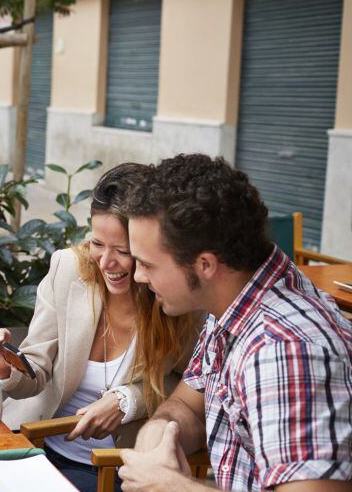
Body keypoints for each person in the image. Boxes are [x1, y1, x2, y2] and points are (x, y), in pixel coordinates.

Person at [118, 154, 351, 492]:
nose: (138, 276)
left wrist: (173, 486)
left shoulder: (284, 351)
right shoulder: (232, 301)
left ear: (205, 264)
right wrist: (161, 436)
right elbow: (186, 406)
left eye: (147, 264)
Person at [0, 164, 198, 492]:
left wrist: (128, 400)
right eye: (97, 243)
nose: (105, 262)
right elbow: (36, 371)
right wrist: (6, 370)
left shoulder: (174, 297)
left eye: (122, 250)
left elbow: (191, 382)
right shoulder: (68, 269)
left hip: (113, 468)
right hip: (35, 447)